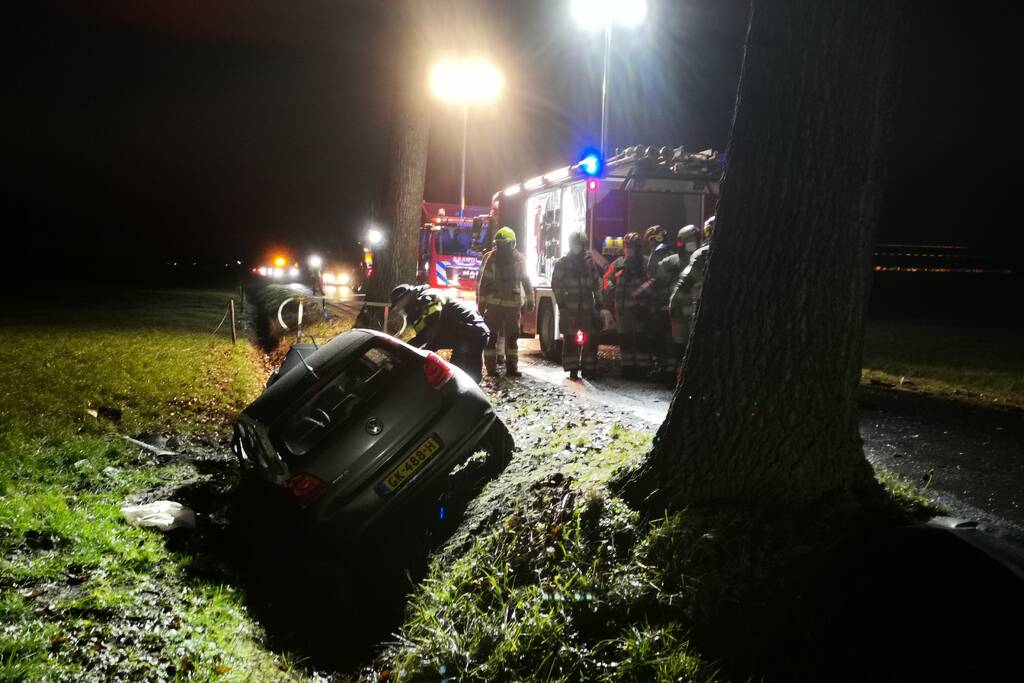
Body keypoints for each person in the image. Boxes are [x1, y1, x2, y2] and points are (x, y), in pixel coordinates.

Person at [390, 284, 490, 383]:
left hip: (470, 333)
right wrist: (404, 350)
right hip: (465, 334)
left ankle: (472, 392)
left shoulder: (428, 297)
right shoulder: (420, 306)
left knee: (462, 378)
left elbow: (431, 330)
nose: (401, 311)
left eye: (400, 307)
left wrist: (410, 352)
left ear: (406, 299)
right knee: (459, 377)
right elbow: (422, 336)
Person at [476, 227, 534, 378]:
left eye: (504, 245)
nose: (501, 248)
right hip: (496, 307)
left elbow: (526, 280)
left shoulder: (519, 260)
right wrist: (481, 306)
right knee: (492, 338)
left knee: (512, 338)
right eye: (499, 245)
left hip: (509, 307)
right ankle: (492, 369)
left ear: (511, 244)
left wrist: (530, 299)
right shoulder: (491, 259)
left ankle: (511, 368)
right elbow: (484, 283)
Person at [551, 231, 602, 380]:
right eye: (575, 244)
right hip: (569, 309)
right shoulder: (562, 263)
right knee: (570, 339)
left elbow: (596, 282)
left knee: (590, 339)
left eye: (579, 245)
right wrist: (561, 303)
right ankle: (572, 369)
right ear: (570, 245)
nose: (577, 247)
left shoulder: (589, 263)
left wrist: (599, 302)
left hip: (587, 308)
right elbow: (556, 284)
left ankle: (588, 369)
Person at [669, 216, 715, 379]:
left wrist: (673, 303)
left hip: (696, 310)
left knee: (686, 347)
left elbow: (686, 281)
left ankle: (685, 380)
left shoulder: (702, 254)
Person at [655, 225, 702, 384]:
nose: (691, 244)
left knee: (688, 348)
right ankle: (678, 379)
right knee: (678, 348)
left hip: (692, 312)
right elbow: (658, 277)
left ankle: (685, 379)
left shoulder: (702, 258)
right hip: (679, 313)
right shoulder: (673, 261)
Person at [603, 232, 652, 378]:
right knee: (624, 340)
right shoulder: (618, 264)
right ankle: (627, 368)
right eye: (627, 246)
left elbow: (653, 282)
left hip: (639, 310)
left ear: (638, 247)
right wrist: (610, 286)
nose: (629, 249)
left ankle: (643, 370)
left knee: (641, 340)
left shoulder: (646, 263)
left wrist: (641, 295)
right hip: (622, 311)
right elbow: (606, 279)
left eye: (632, 246)